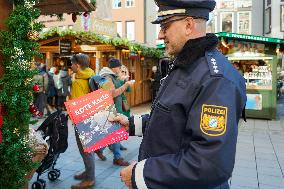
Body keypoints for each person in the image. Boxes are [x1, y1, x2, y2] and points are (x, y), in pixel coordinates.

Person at [118, 0, 247, 189]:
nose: (161, 34)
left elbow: (210, 164)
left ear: (188, 25)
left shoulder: (215, 79)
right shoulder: (187, 65)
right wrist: (132, 124)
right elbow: (176, 119)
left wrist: (143, 174)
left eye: (165, 26)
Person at [98, 58, 134, 166]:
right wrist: (126, 85)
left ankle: (100, 149)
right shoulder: (105, 77)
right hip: (109, 109)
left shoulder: (111, 76)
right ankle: (117, 157)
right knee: (115, 132)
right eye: (119, 67)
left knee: (113, 132)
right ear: (114, 67)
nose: (120, 69)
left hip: (114, 109)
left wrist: (124, 82)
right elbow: (112, 94)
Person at [70, 54, 96, 189]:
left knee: (85, 150)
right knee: (88, 149)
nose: (71, 66)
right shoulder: (92, 75)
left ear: (78, 66)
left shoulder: (78, 82)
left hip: (82, 120)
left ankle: (90, 178)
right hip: (92, 117)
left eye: (72, 64)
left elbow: (77, 104)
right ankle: (88, 172)